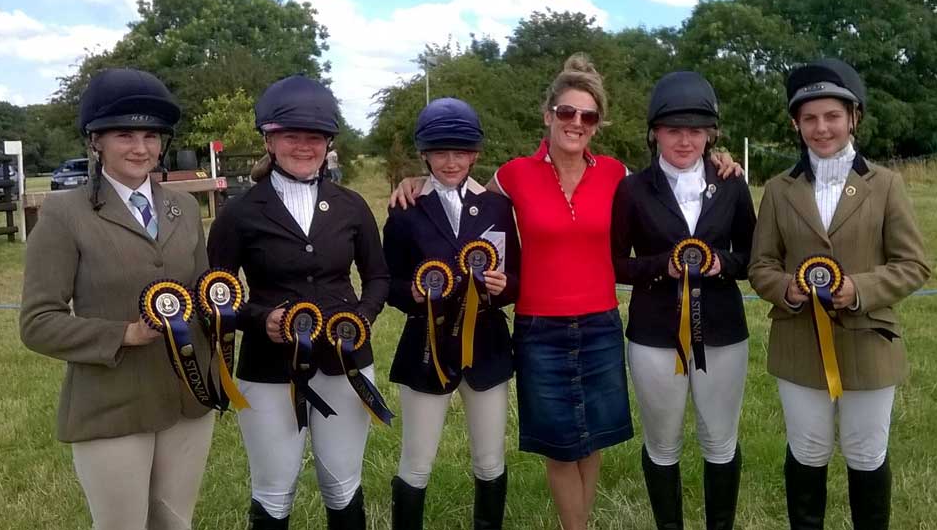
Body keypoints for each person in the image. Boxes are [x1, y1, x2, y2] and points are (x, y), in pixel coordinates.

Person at [391, 55, 741, 530]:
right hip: (539, 328)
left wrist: (719, 160)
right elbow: (466, 192)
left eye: (588, 116)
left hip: (600, 323)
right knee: (559, 444)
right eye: (566, 112)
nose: (576, 123)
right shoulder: (515, 173)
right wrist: (419, 182)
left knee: (592, 440)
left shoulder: (617, 174)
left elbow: (668, 176)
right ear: (548, 114)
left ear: (597, 124)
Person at [20, 68, 214, 530]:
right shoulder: (65, 214)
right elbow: (38, 322)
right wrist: (125, 333)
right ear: (95, 142)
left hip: (189, 397)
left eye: (151, 135)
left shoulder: (183, 207)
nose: (141, 148)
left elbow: (205, 290)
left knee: (175, 524)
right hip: (111, 405)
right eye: (124, 134)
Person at [749, 58, 930, 530]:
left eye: (832, 116)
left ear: (854, 118)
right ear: (796, 124)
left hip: (870, 342)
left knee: (867, 453)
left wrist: (859, 289)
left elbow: (913, 264)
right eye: (809, 118)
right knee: (807, 450)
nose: (821, 127)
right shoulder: (777, 189)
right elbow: (760, 264)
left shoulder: (886, 185)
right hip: (798, 345)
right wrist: (786, 289)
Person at [207, 75, 390, 529]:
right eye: (291, 136)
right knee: (273, 489)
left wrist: (361, 319)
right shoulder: (240, 213)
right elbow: (215, 293)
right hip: (268, 369)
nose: (304, 147)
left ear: (328, 142)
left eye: (315, 137)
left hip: (345, 364)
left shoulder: (350, 206)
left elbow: (378, 276)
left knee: (342, 484)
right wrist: (257, 318)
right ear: (269, 140)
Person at [611, 71, 755, 530]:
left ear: (710, 134)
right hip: (655, 335)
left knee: (720, 441)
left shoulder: (731, 182)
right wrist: (660, 266)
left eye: (695, 130)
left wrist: (721, 264)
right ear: (655, 132)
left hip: (723, 332)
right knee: (663, 443)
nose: (685, 140)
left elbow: (752, 256)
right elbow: (615, 263)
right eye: (674, 130)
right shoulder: (632, 189)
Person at [382, 97, 521, 529]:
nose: (451, 161)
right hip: (427, 346)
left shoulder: (498, 207)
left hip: (487, 346)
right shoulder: (405, 210)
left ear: (475, 154)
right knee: (417, 461)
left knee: (489, 459)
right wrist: (417, 294)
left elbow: (515, 276)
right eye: (441, 151)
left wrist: (504, 287)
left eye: (460, 152)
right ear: (425, 154)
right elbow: (389, 284)